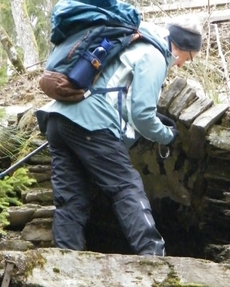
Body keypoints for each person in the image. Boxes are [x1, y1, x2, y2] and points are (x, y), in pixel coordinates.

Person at [36, 15, 202, 256]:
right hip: (91, 123)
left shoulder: (131, 43)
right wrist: (167, 136)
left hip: (58, 119)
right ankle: (152, 256)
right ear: (182, 46)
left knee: (71, 199)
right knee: (126, 186)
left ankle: (67, 262)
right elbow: (142, 114)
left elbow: (117, 96)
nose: (182, 65)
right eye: (189, 58)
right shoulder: (154, 54)